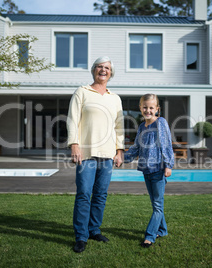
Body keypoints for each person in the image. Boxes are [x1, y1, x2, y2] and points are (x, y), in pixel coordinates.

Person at [67, 56, 124, 253]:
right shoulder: (82, 92)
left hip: (108, 154)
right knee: (84, 194)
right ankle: (81, 236)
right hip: (87, 153)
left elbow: (119, 127)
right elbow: (72, 120)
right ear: (93, 70)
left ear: (111, 72)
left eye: (107, 67)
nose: (103, 70)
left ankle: (93, 229)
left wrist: (119, 151)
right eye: (100, 67)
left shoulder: (115, 98)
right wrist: (74, 144)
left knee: (100, 195)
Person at [124, 93, 174, 248]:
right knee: (155, 204)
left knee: (158, 205)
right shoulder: (141, 127)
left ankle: (150, 236)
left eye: (151, 108)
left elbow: (166, 144)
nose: (148, 110)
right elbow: (136, 147)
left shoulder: (161, 123)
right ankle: (163, 230)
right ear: (140, 108)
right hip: (147, 170)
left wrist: (168, 165)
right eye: (145, 107)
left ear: (157, 109)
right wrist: (121, 158)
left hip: (159, 170)